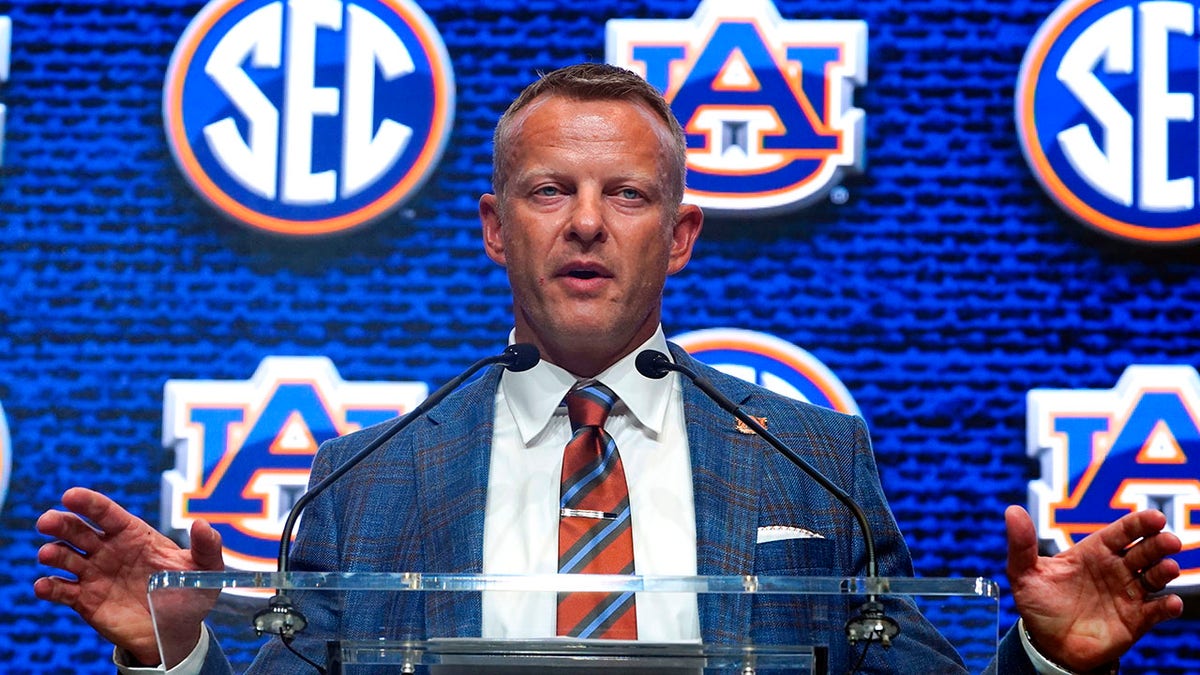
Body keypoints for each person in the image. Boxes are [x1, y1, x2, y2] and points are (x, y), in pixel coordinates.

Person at [35, 63, 1183, 674]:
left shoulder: (815, 462)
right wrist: (177, 651)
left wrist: (1050, 660)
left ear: (679, 235)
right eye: (551, 192)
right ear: (495, 229)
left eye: (627, 195)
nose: (587, 224)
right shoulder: (362, 476)